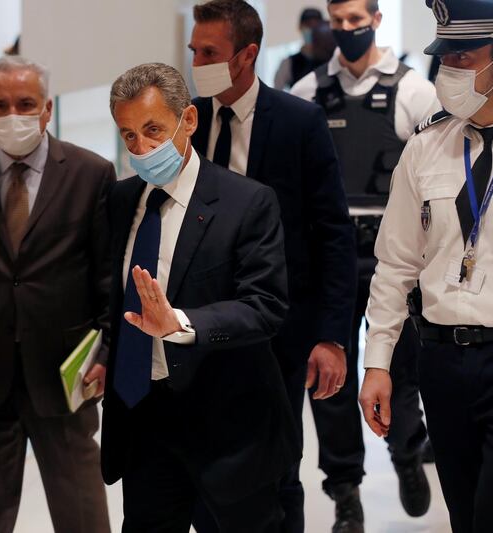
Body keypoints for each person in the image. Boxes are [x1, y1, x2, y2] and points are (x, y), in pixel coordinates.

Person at [359, 0, 493, 531]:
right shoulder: (425, 148)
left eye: (462, 58)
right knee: (464, 515)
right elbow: (394, 263)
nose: (446, 72)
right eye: (444, 58)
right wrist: (377, 362)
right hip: (441, 361)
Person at [100, 62, 299, 533]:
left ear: (188, 121)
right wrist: (106, 351)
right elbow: (117, 297)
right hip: (144, 420)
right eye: (128, 136)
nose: (142, 148)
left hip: (229, 427)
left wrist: (181, 323)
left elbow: (265, 306)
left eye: (153, 130)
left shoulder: (247, 202)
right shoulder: (120, 201)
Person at [187, 1, 358, 532]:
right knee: (203, 469)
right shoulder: (187, 122)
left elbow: (333, 234)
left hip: (279, 333)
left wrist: (332, 337)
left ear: (247, 55)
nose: (197, 61)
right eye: (194, 51)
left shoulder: (298, 122)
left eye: (209, 52)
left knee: (276, 472)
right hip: (199, 328)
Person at [0, 56, 113, 533]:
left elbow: (106, 279)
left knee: (83, 517)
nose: (13, 114)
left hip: (65, 375)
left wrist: (109, 348)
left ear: (47, 109)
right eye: (1, 104)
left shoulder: (90, 173)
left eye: (26, 103)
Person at [291, 0, 442, 525]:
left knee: (399, 370)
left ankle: (407, 451)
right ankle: (345, 491)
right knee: (328, 375)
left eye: (356, 19)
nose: (347, 29)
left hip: (394, 254)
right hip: (328, 256)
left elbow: (439, 171)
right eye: (339, 22)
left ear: (376, 19)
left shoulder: (415, 91)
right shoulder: (307, 95)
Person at [274, 8, 326, 90]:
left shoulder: (330, 60)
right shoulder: (289, 63)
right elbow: (276, 92)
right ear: (300, 27)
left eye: (316, 26)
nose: (312, 29)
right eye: (308, 25)